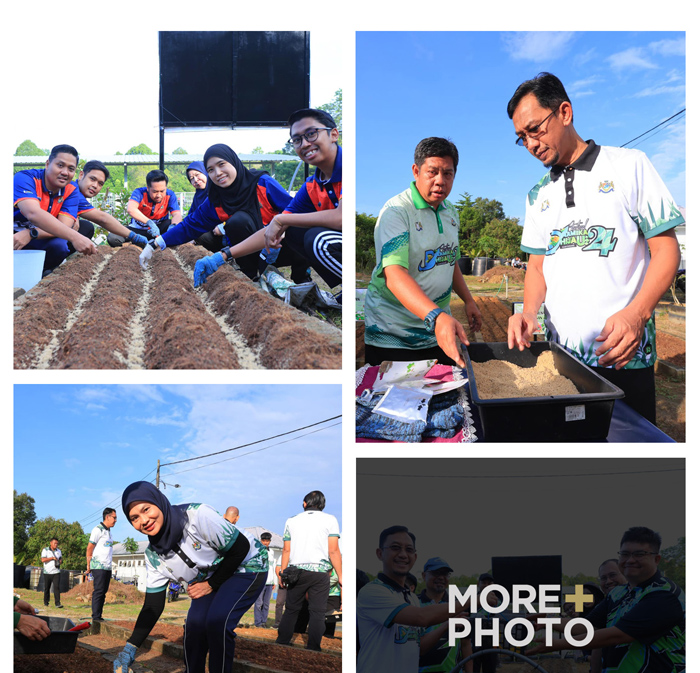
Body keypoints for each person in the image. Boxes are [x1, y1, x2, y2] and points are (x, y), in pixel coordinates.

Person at [506, 72, 684, 423]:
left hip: (622, 356)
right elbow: (537, 268)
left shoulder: (628, 166)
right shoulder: (537, 196)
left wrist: (637, 314)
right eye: (521, 138)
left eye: (535, 129)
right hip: (560, 363)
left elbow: (666, 251)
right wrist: (528, 313)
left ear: (565, 112)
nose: (530, 143)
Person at [529, 526, 684, 673]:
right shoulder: (619, 594)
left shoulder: (665, 595)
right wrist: (544, 621)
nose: (630, 560)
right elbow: (585, 625)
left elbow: (616, 635)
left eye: (639, 554)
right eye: (624, 554)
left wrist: (554, 644)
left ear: (656, 558)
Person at [113, 482, 268, 673]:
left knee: (217, 621)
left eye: (146, 510)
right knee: (194, 624)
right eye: (134, 518)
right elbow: (152, 606)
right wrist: (130, 648)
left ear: (158, 501)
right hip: (212, 574)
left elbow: (240, 547)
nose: (143, 520)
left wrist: (211, 584)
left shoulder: (197, 516)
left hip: (247, 564)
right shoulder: (154, 556)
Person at [188, 109, 343, 291]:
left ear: (333, 134)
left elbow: (342, 217)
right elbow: (277, 225)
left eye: (311, 134)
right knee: (291, 228)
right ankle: (253, 274)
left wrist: (281, 220)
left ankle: (308, 279)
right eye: (297, 139)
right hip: (259, 244)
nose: (305, 144)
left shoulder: (262, 182)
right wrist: (222, 256)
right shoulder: (312, 185)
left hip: (322, 240)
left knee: (315, 238)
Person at [363, 137, 482, 368]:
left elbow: (449, 262)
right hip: (393, 335)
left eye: (448, 174)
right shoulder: (397, 211)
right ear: (416, 171)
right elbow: (394, 273)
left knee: (446, 397)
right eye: (433, 172)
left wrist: (468, 300)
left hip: (436, 331)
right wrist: (435, 316)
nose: (440, 181)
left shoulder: (451, 213)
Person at [356, 526, 467, 673]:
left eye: (408, 549)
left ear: (415, 557)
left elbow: (420, 648)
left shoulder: (411, 597)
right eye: (395, 548)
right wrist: (472, 600)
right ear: (379, 553)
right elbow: (420, 618)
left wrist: (449, 623)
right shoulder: (372, 592)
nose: (402, 554)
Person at [139, 145, 303, 281]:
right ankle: (251, 276)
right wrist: (154, 244)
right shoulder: (217, 201)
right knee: (238, 222)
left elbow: (295, 212)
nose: (217, 173)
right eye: (211, 169)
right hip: (249, 252)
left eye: (222, 164)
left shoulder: (262, 183)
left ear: (233, 162)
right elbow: (189, 226)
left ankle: (302, 278)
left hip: (279, 247)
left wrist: (279, 229)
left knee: (302, 231)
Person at [13, 144, 98, 276]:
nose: (65, 172)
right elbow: (32, 213)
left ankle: (45, 273)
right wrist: (76, 237)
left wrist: (31, 234)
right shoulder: (26, 178)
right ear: (48, 164)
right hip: (14, 234)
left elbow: (64, 225)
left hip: (36, 235)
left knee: (60, 244)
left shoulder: (71, 189)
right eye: (60, 165)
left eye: (71, 169)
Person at [275, 490, 342, 652]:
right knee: (317, 612)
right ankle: (313, 648)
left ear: (304, 504)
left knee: (291, 609)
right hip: (320, 573)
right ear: (322, 504)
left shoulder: (292, 521)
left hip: (296, 572)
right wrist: (341, 575)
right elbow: (333, 551)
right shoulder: (330, 520)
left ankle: (282, 643)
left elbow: (286, 550)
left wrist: (282, 572)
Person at [69, 160, 148, 252]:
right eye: (92, 179)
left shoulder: (77, 193)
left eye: (100, 184)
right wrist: (133, 236)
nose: (95, 186)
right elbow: (103, 219)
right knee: (86, 227)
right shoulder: (73, 191)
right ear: (81, 175)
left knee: (86, 227)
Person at [108, 169, 182, 246]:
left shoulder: (170, 195)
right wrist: (150, 222)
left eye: (162, 191)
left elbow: (177, 214)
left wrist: (173, 227)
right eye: (155, 192)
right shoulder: (139, 193)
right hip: (138, 231)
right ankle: (137, 245)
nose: (159, 195)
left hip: (159, 231)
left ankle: (158, 244)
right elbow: (131, 209)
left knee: (173, 225)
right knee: (113, 237)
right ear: (148, 188)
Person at [86, 508, 117, 621]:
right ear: (107, 517)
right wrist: (88, 565)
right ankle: (95, 617)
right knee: (98, 591)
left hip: (107, 567)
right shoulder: (97, 530)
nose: (115, 520)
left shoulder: (108, 532)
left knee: (103, 592)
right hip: (98, 566)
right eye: (114, 517)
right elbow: (90, 548)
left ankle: (99, 615)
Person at [253, 532, 277, 627]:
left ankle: (263, 621)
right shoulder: (257, 551)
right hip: (261, 580)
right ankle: (258, 622)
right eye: (264, 541)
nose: (265, 543)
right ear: (261, 541)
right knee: (259, 603)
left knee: (266, 604)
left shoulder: (272, 552)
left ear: (270, 541)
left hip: (270, 581)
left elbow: (273, 566)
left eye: (267, 541)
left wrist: (274, 581)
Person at [41, 538, 63, 608]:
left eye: (57, 543)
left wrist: (60, 561)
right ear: (51, 543)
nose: (56, 545)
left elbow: (61, 558)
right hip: (47, 572)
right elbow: (43, 559)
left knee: (57, 587)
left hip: (56, 572)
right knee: (47, 588)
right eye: (54, 543)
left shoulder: (59, 551)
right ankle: (46, 602)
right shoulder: (45, 550)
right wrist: (52, 558)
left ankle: (57, 603)